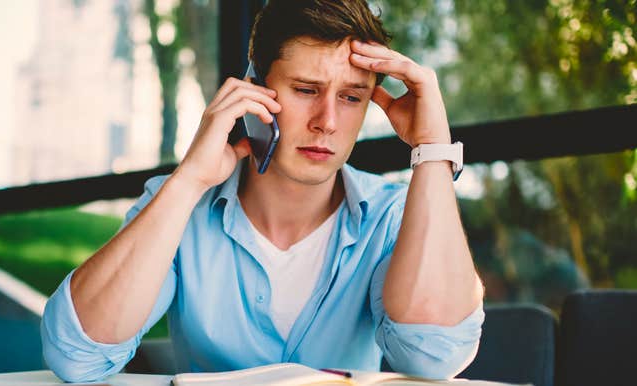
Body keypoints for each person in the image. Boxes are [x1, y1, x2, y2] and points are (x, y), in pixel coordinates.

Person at [40, 0, 485, 382]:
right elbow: (77, 357)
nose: (327, 121)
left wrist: (433, 151)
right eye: (306, 90)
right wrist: (190, 179)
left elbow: (435, 358)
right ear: (254, 93)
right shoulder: (180, 207)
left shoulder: (392, 216)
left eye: (351, 97)